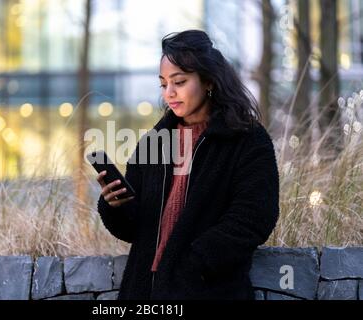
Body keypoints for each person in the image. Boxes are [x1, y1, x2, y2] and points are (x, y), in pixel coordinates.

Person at [96, 30, 279, 300]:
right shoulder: (153, 143)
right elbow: (132, 229)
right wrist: (115, 205)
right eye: (163, 84)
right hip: (143, 292)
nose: (169, 93)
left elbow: (254, 218)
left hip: (209, 291)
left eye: (179, 82)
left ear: (208, 81)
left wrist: (195, 263)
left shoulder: (248, 140)